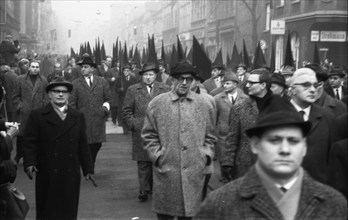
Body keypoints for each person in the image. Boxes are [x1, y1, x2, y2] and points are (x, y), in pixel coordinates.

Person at [195, 95, 347, 220]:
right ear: (255, 145)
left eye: (293, 141)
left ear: (305, 147)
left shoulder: (333, 204)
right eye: (274, 140)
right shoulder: (219, 205)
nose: (285, 150)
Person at [142, 60, 217, 219]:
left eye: (188, 79)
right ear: (172, 79)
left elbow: (211, 135)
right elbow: (148, 134)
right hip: (167, 171)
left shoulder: (206, 103)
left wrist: (205, 155)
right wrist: (158, 156)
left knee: (190, 214)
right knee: (165, 214)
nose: (184, 83)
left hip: (194, 171)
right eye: (180, 79)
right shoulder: (157, 103)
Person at [23, 77, 95, 220]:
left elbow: (82, 145)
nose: (61, 94)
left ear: (69, 95)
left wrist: (88, 169)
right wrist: (30, 163)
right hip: (47, 172)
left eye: (65, 92)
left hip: (70, 173)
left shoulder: (78, 116)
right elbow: (30, 142)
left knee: (68, 211)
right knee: (47, 211)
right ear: (49, 94)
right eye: (56, 91)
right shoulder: (37, 115)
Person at [123, 62, 170, 202]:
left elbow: (170, 108)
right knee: (143, 162)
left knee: (157, 160)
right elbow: (126, 110)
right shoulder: (133, 89)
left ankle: (156, 188)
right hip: (141, 130)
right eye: (145, 75)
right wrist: (133, 124)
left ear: (155, 75)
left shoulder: (165, 88)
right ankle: (143, 189)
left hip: (160, 131)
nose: (148, 77)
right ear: (142, 76)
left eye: (151, 74)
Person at [289, 68, 338, 184]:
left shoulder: (327, 117)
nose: (312, 90)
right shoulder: (277, 115)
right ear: (293, 89)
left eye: (315, 85)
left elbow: (333, 159)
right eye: (306, 85)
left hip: (318, 189)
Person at [69, 54, 111, 169]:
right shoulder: (76, 84)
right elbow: (72, 103)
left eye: (86, 67)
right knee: (85, 144)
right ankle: (88, 165)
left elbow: (108, 99)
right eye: (82, 67)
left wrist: (105, 110)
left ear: (92, 69)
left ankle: (90, 162)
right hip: (83, 120)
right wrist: (75, 117)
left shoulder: (102, 82)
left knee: (97, 144)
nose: (83, 69)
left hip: (98, 119)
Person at [12, 60, 50, 164]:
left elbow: (46, 97)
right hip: (24, 113)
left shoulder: (43, 81)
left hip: (38, 112)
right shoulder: (20, 79)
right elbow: (15, 96)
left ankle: (35, 156)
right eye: (32, 67)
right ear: (29, 68)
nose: (35, 69)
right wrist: (21, 106)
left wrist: (43, 107)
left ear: (39, 68)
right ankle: (19, 155)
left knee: (37, 135)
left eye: (37, 67)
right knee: (21, 136)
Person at [115, 62, 137, 134]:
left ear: (130, 71)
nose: (126, 72)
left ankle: (130, 127)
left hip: (131, 99)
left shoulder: (134, 78)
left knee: (131, 113)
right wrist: (120, 90)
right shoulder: (119, 79)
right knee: (123, 113)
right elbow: (115, 89)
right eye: (124, 71)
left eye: (127, 71)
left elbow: (136, 88)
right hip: (122, 98)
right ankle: (125, 129)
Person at [104, 56, 119, 125]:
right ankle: (114, 119)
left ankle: (120, 120)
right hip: (114, 90)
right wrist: (111, 80)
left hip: (122, 91)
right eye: (118, 62)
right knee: (114, 106)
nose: (119, 63)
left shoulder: (124, 70)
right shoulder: (111, 70)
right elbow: (106, 79)